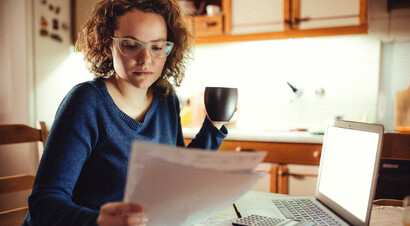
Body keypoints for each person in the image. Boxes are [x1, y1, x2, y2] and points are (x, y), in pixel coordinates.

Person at [23, 0, 228, 225]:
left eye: (157, 47)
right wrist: (101, 220)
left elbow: (176, 175)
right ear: (107, 44)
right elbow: (44, 203)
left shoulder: (166, 99)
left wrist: (214, 125)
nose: (146, 59)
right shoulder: (86, 102)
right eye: (131, 45)